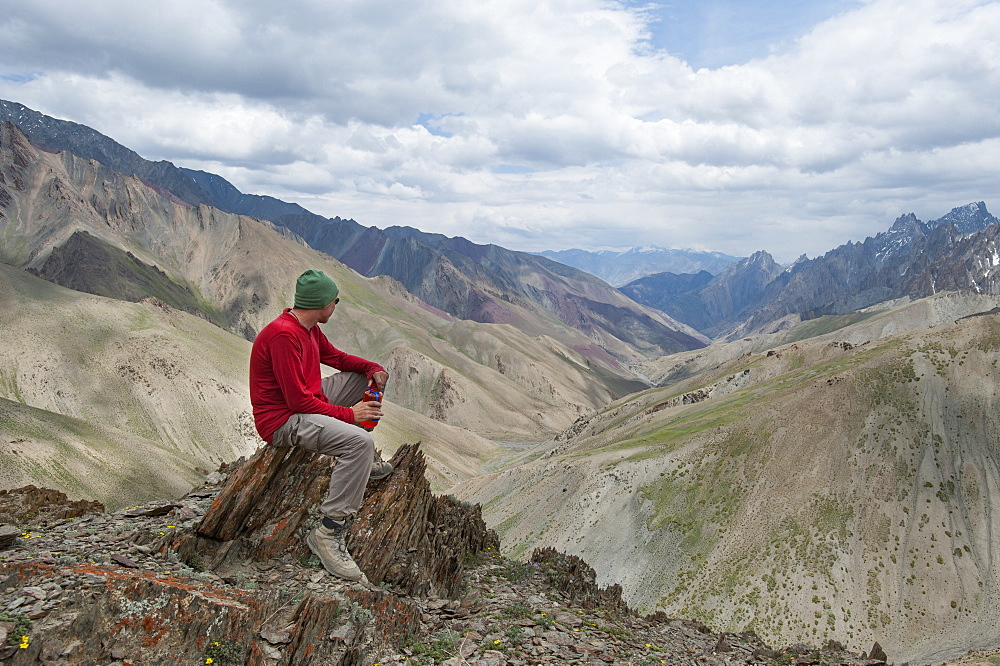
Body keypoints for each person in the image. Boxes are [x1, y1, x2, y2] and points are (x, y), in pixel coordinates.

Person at [249, 268, 391, 581]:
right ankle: (328, 534)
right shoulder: (284, 335)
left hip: (306, 400)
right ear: (321, 303)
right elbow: (298, 403)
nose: (336, 305)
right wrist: (350, 417)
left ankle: (361, 460)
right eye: (334, 300)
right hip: (282, 420)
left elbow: (337, 359)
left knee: (363, 379)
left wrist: (373, 368)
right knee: (359, 444)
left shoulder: (308, 328)